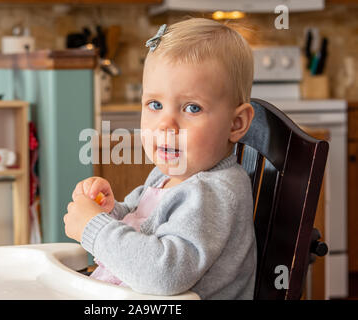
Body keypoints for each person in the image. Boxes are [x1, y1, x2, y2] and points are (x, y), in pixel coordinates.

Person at [63, 18, 257, 300]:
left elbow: (164, 275)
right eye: (155, 104)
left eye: (192, 107)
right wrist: (109, 211)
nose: (166, 125)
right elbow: (140, 222)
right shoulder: (168, 176)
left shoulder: (211, 194)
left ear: (236, 123)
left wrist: (95, 229)